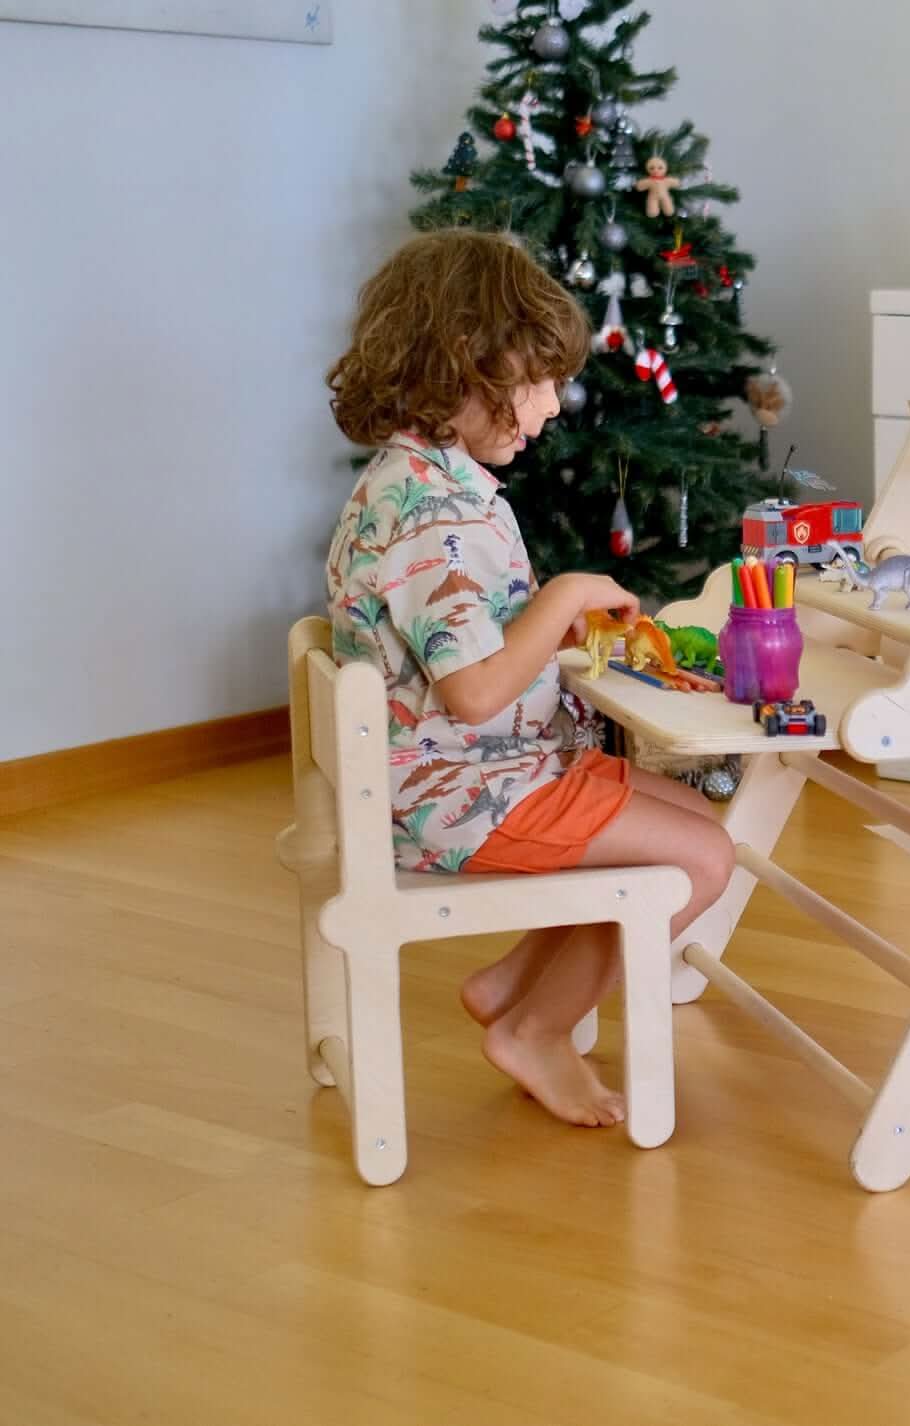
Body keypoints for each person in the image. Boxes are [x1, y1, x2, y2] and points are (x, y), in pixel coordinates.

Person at [324, 229, 733, 1128]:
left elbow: (463, 647)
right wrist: (562, 597)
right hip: (457, 791)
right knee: (703, 857)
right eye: (537, 382)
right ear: (463, 370)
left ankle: (511, 985)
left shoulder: (420, 483)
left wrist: (552, 624)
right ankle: (537, 1030)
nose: (553, 406)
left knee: (696, 819)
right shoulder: (434, 513)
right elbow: (471, 692)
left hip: (475, 770)